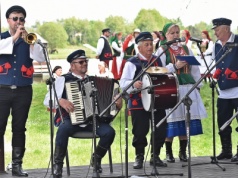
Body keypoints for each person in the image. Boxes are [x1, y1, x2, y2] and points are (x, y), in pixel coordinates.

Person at [43, 50, 117, 177]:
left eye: (86, 61)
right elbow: (47, 100)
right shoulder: (63, 80)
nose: (84, 64)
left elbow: (108, 98)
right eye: (81, 62)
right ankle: (58, 165)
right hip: (71, 120)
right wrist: (60, 101)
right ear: (72, 65)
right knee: (63, 129)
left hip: (92, 121)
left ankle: (96, 159)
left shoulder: (93, 80)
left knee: (109, 132)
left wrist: (115, 101)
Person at [0, 5, 45, 177]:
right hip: (2, 90)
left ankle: (17, 165)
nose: (18, 22)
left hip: (23, 90)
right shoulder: (2, 37)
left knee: (19, 128)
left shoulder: (30, 39)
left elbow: (40, 58)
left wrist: (29, 41)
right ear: (8, 20)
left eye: (21, 19)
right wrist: (15, 37)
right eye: (15, 18)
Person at [155, 23, 207, 163]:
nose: (176, 35)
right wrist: (174, 66)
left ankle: (183, 151)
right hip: (172, 88)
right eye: (172, 33)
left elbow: (195, 68)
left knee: (185, 119)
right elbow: (158, 70)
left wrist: (197, 84)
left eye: (177, 32)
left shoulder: (186, 49)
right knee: (171, 119)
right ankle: (168, 152)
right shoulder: (161, 50)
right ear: (166, 35)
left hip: (187, 86)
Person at [120, 32, 167, 169]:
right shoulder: (132, 63)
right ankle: (139, 156)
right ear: (139, 47)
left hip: (157, 100)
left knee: (160, 128)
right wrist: (133, 84)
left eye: (151, 44)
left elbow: (164, 75)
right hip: (138, 101)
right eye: (146, 45)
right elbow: (123, 82)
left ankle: (155, 155)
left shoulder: (158, 60)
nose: (150, 47)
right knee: (140, 131)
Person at [211, 18, 238, 162]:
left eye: (217, 29)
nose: (215, 32)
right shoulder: (216, 45)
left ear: (226, 29)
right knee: (223, 121)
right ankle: (226, 149)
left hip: (237, 89)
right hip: (223, 90)